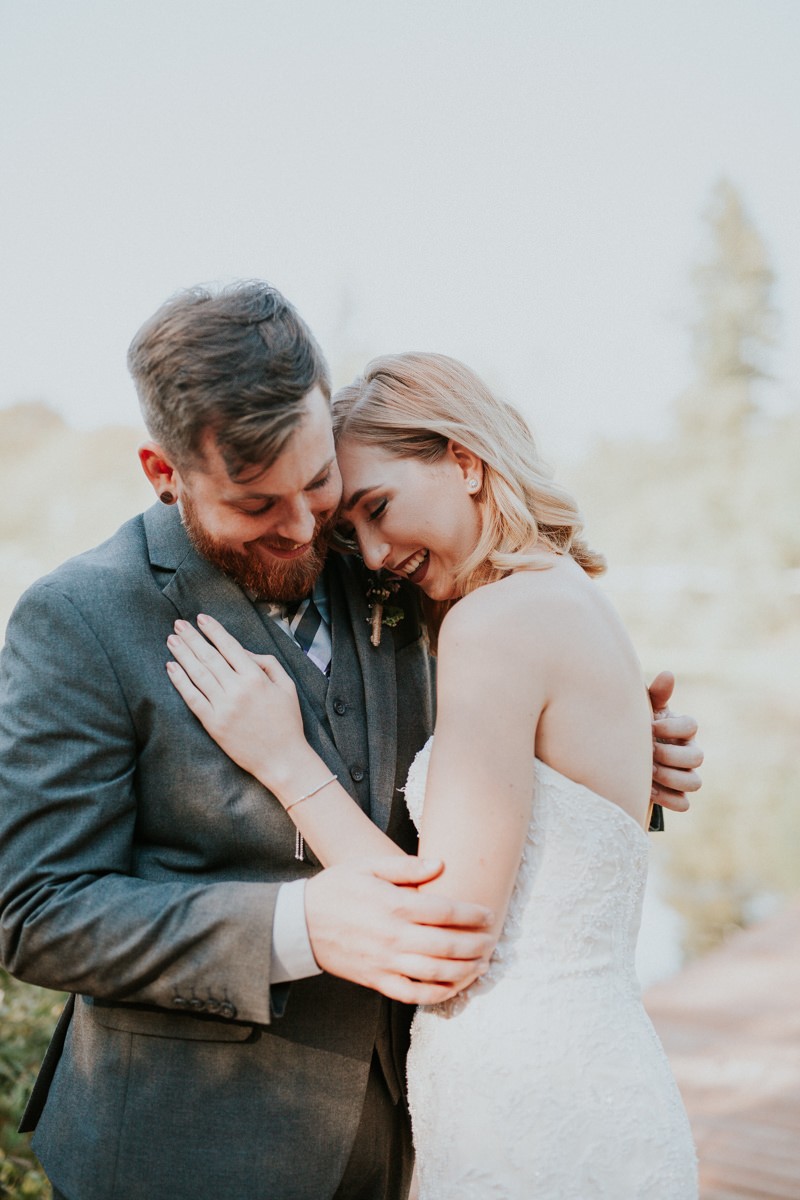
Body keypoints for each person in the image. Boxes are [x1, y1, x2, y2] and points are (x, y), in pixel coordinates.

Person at [0, 284, 701, 1200]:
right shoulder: (81, 618)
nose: (305, 529)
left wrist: (612, 753)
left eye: (318, 482)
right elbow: (39, 910)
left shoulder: (395, 555)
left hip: (413, 1133)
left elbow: (501, 747)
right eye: (256, 505)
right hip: (182, 1153)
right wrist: (299, 928)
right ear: (162, 472)